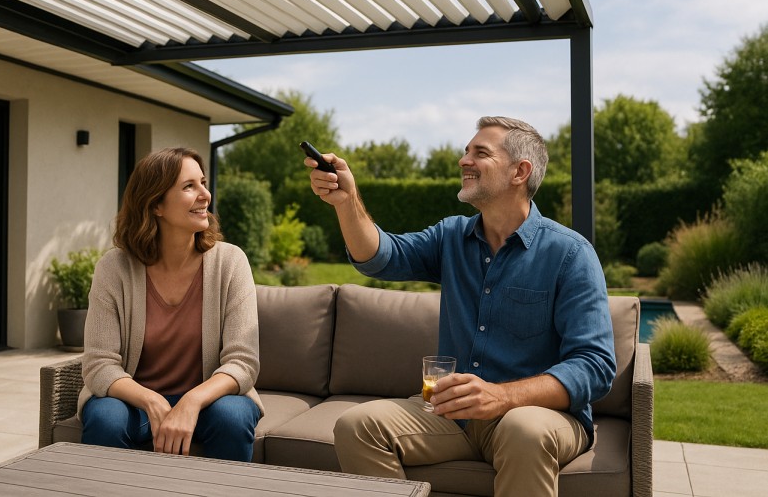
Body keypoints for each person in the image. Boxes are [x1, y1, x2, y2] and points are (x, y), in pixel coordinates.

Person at [304, 116, 616, 496]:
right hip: (453, 416)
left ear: (520, 172)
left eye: (480, 153)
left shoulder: (570, 254)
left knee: (523, 430)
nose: (464, 160)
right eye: (466, 151)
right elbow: (381, 257)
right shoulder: (450, 237)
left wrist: (502, 396)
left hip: (537, 416)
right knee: (357, 426)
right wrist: (347, 201)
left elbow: (595, 366)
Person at [79, 147, 262, 461]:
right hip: (136, 404)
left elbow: (243, 363)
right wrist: (151, 401)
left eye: (203, 183)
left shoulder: (230, 262)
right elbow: (98, 365)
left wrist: (191, 401)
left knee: (233, 415)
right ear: (156, 205)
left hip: (208, 402)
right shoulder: (114, 268)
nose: (205, 195)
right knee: (106, 418)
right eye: (189, 186)